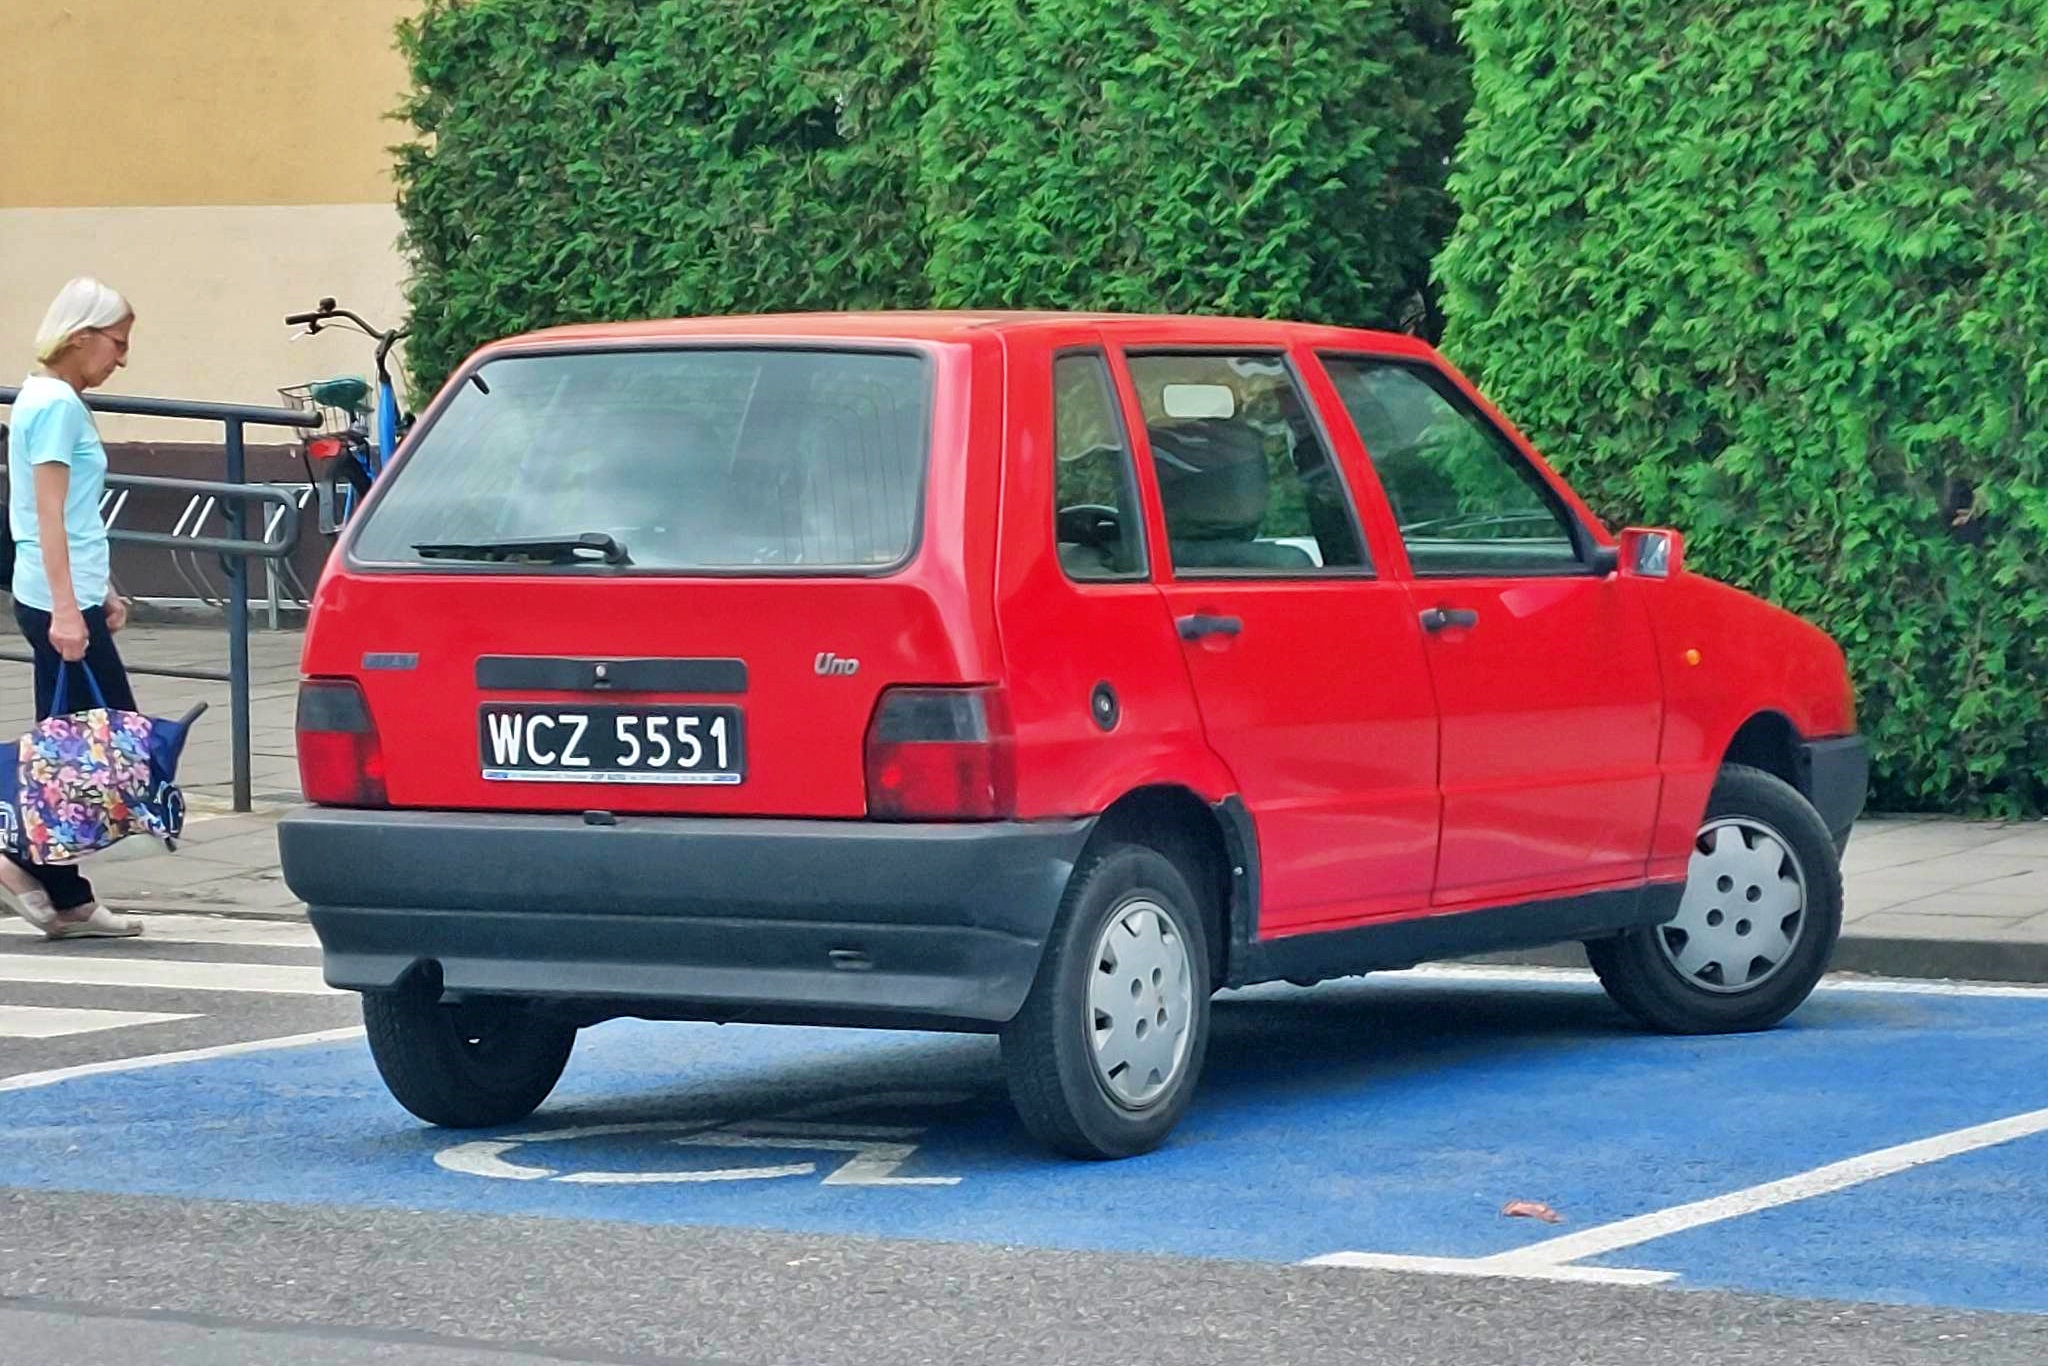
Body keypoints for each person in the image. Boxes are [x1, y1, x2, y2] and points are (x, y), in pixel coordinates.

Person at [0, 277, 145, 939]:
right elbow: (48, 515)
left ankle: (65, 893)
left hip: (66, 594)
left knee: (74, 749)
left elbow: (70, 517)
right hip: (58, 600)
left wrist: (100, 588)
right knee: (100, 747)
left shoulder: (44, 396)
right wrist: (67, 610)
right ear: (81, 336)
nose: (122, 358)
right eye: (117, 343)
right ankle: (26, 862)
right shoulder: (57, 405)